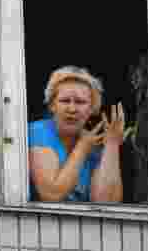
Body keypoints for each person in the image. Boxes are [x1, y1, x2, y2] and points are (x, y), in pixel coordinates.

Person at [28, 65, 126, 203]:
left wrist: (112, 145)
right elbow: (51, 196)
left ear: (92, 109)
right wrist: (83, 147)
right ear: (52, 105)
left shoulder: (96, 146)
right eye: (65, 101)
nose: (72, 109)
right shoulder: (38, 131)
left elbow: (107, 204)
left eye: (80, 102)